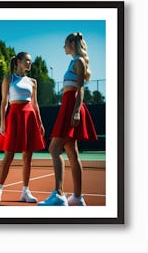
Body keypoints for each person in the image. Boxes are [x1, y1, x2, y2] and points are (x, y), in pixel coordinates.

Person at [38, 32, 98, 206]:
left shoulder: (78, 61)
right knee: (72, 152)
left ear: (72, 43)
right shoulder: (74, 61)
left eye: (65, 44)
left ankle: (58, 195)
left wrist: (76, 111)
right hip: (68, 105)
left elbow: (80, 89)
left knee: (54, 148)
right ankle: (78, 198)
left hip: (72, 106)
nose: (63, 47)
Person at [0, 52, 46, 203]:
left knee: (27, 156)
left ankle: (25, 192)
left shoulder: (33, 82)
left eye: (30, 61)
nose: (30, 63)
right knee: (8, 155)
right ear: (18, 62)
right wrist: (2, 122)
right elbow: (3, 103)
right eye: (27, 61)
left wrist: (40, 123)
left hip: (30, 118)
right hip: (14, 117)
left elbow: (35, 104)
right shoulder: (8, 79)